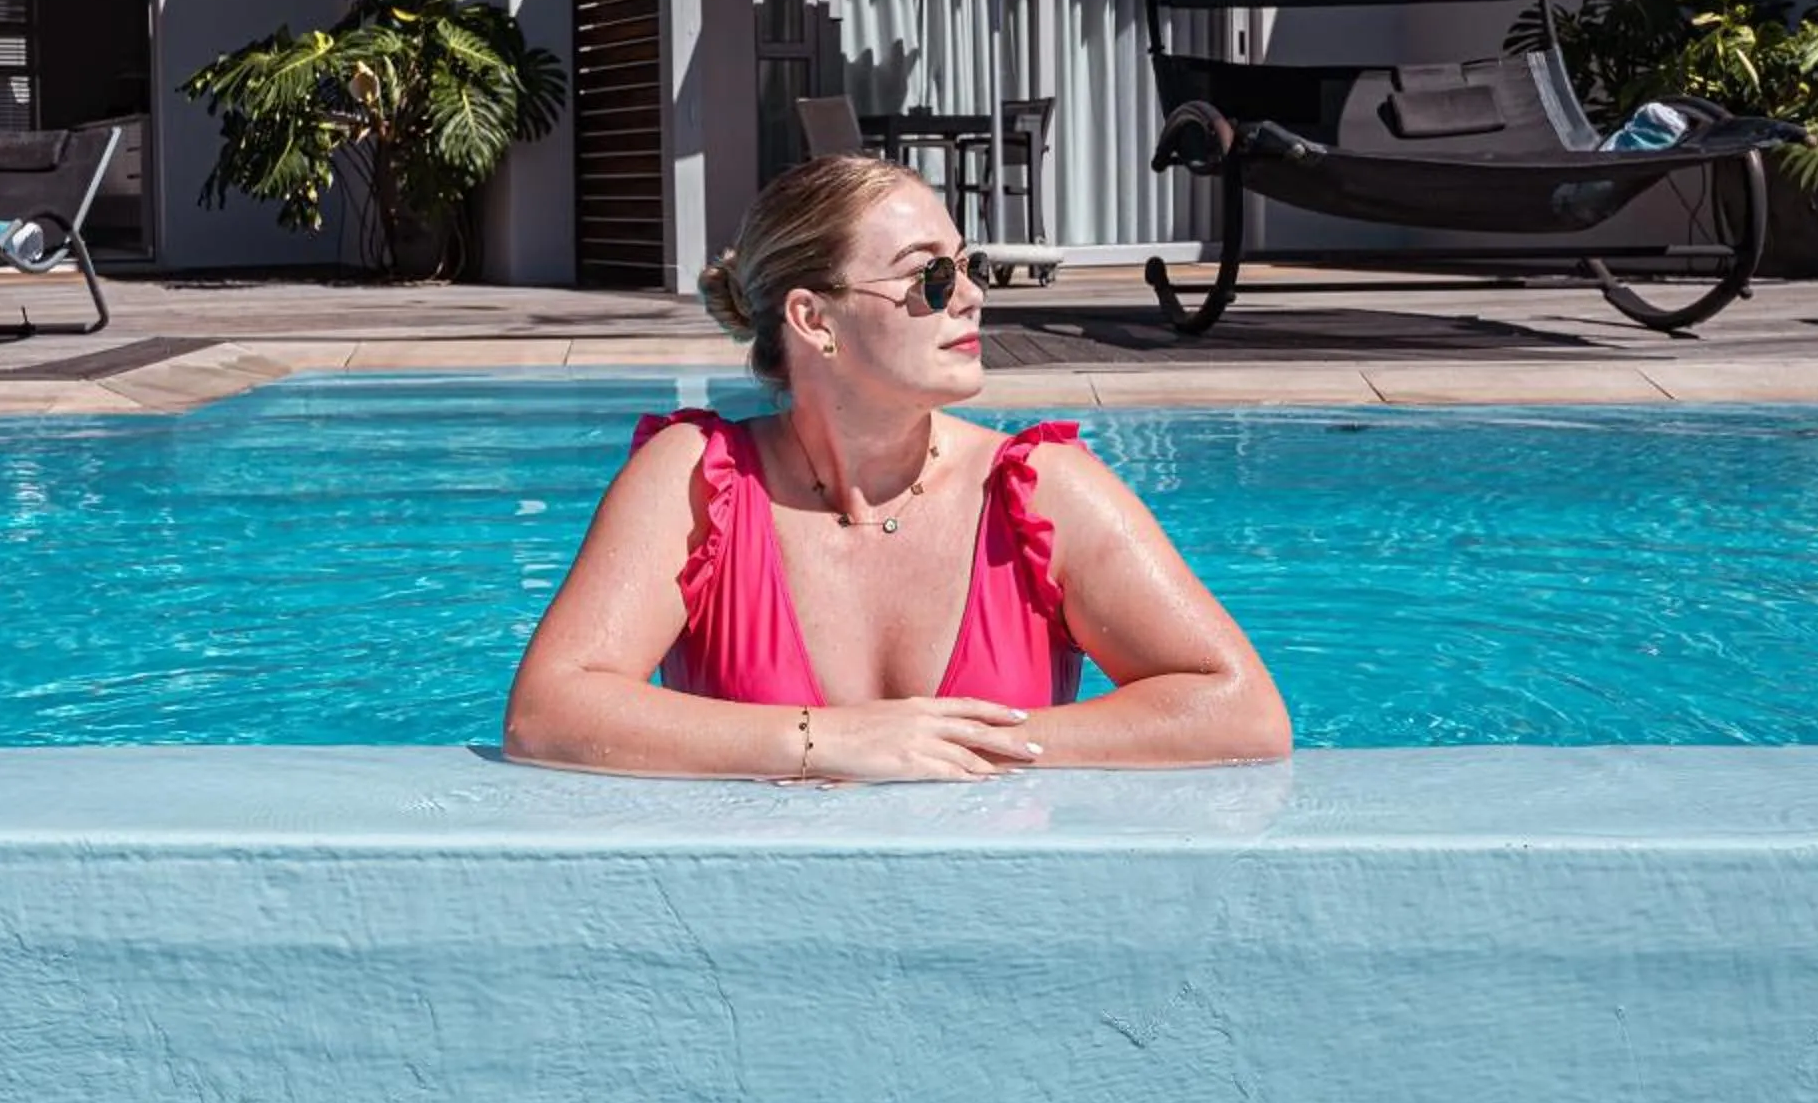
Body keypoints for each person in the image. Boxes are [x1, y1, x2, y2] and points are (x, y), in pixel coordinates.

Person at [505, 153, 1289, 782]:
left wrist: (951, 745)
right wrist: (827, 741)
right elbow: (550, 712)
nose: (973, 297)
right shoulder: (696, 482)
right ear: (815, 320)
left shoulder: (1040, 491)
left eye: (967, 265)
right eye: (931, 278)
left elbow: (1242, 709)